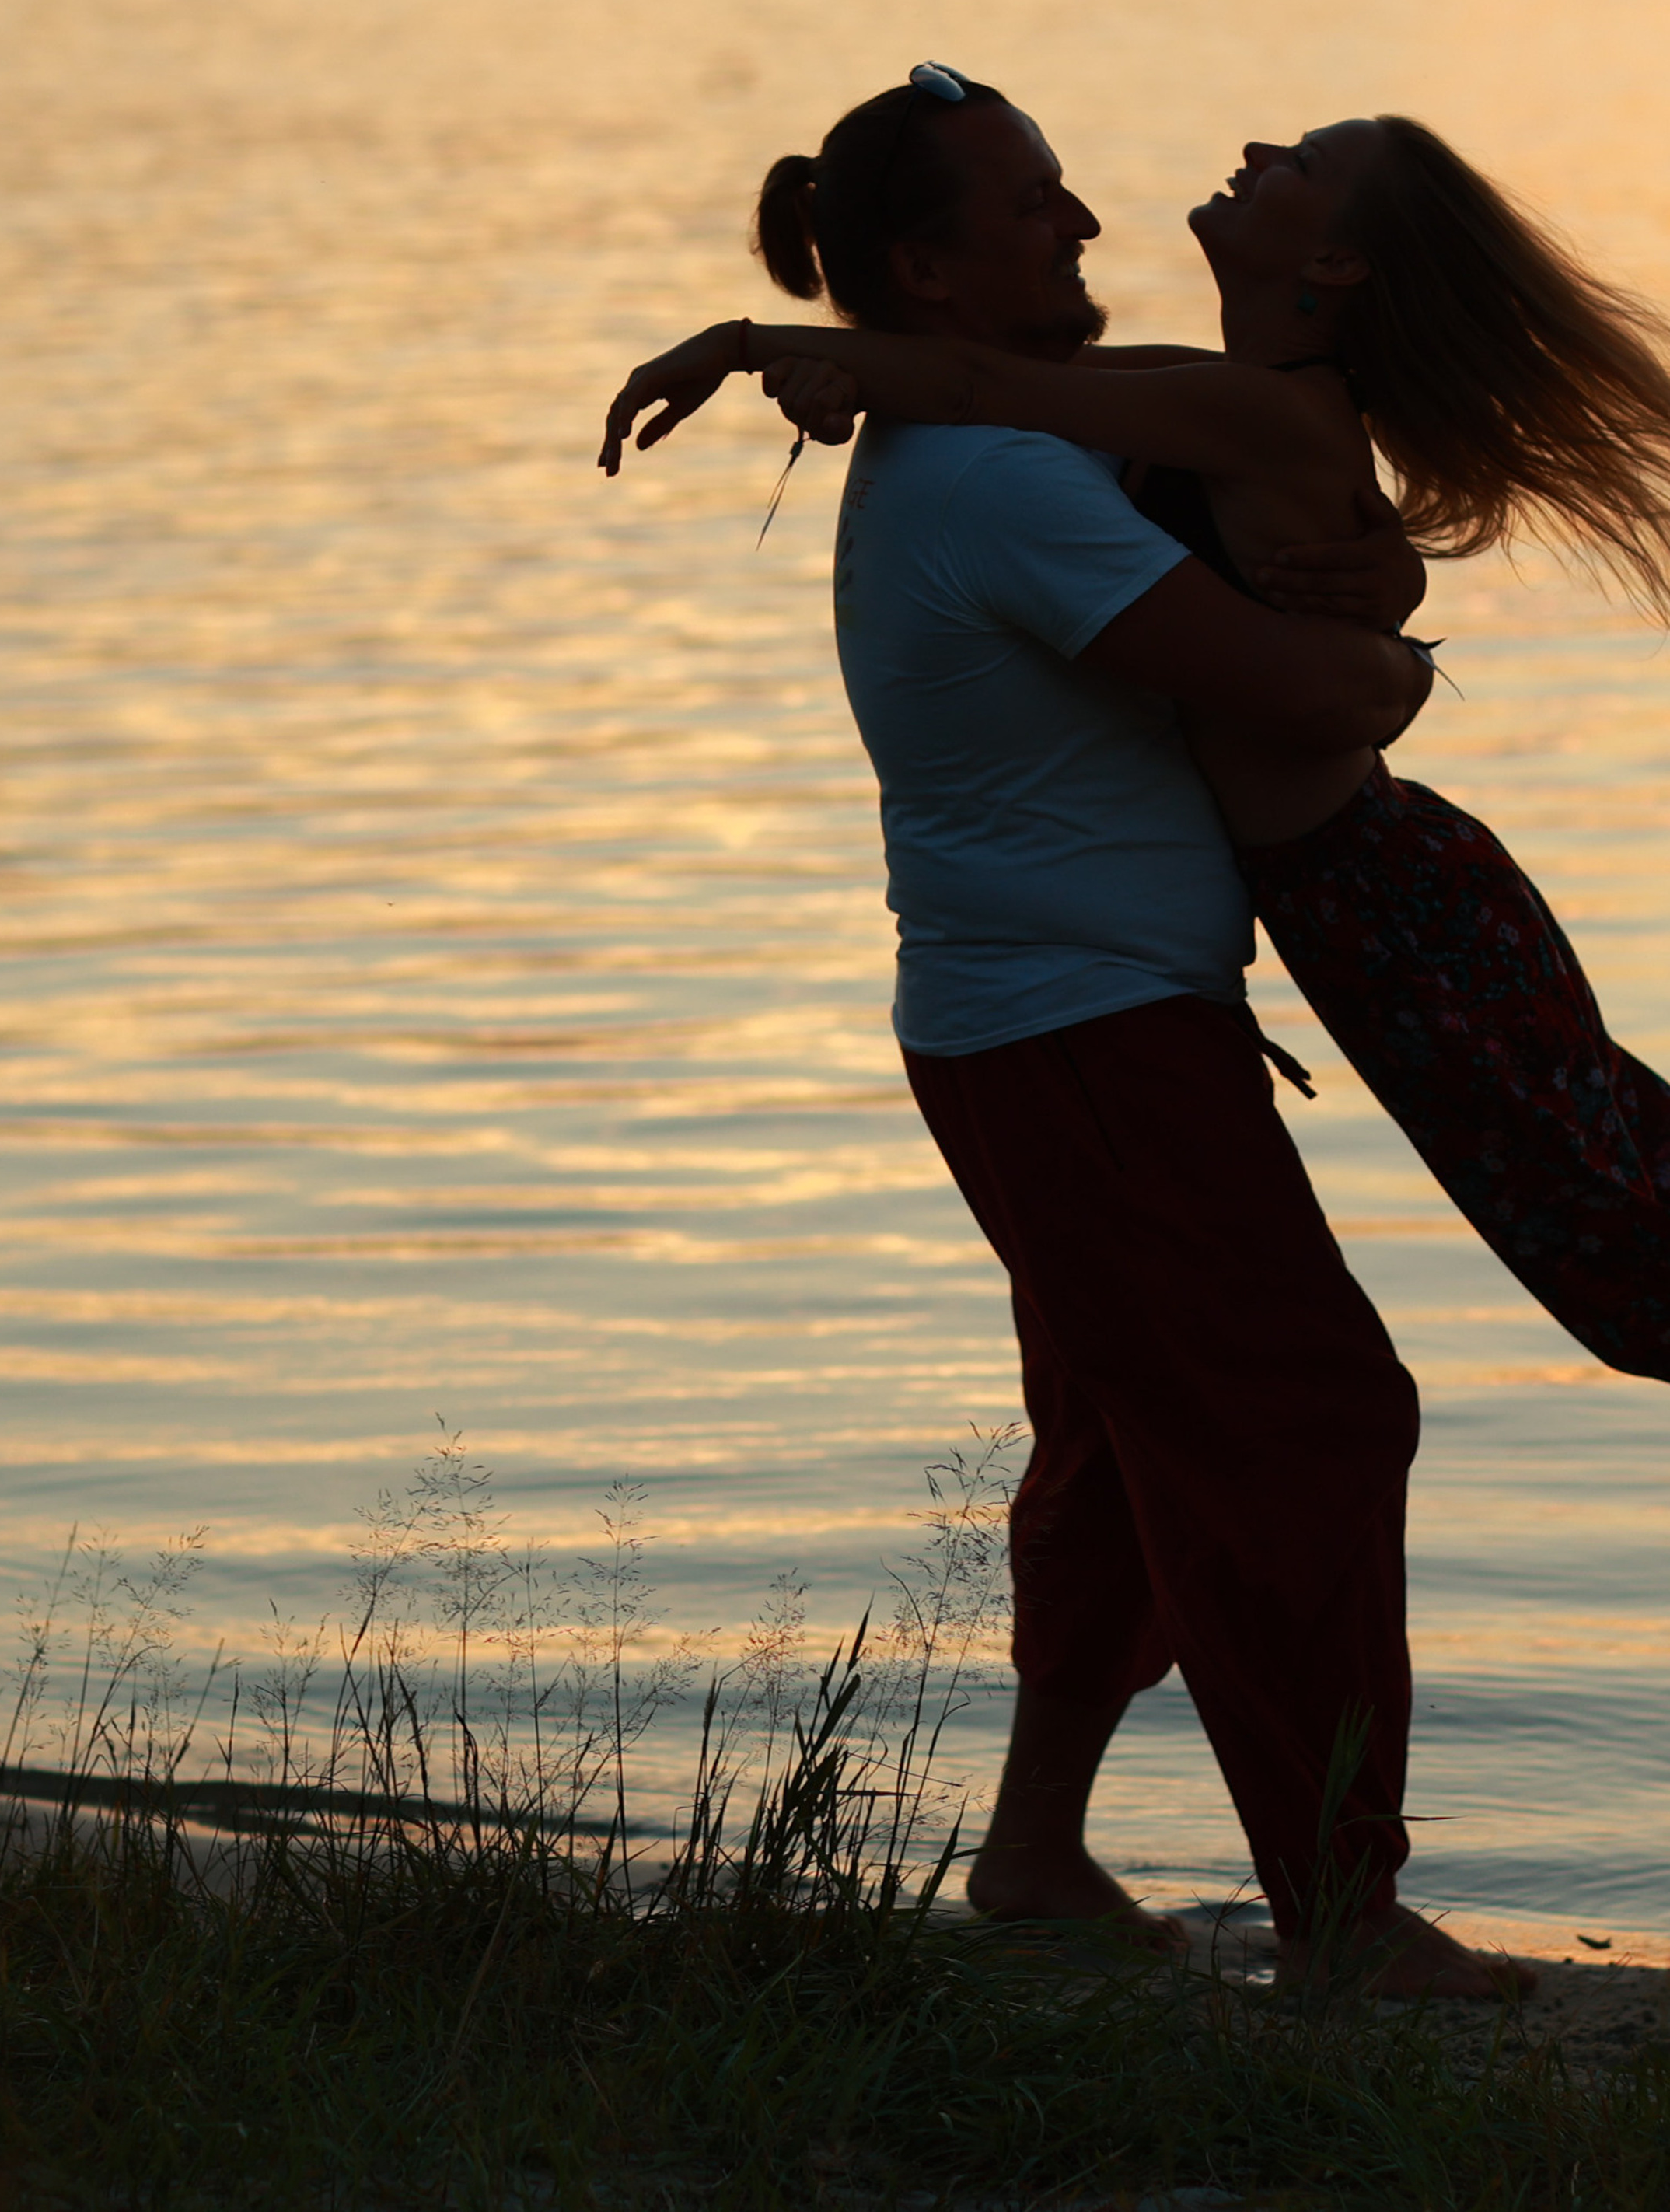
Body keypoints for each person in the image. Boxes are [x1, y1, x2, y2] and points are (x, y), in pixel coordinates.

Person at [599, 67, 1527, 1998]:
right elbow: (1293, 691)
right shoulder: (1002, 482)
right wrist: (1387, 650)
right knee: (1307, 1425)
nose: (1084, 224)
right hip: (1083, 1046)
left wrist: (1393, 575)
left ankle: (1031, 1859)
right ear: (931, 271)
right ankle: (1341, 1925)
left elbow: (1264, 495)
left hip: (1059, 1032)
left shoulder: (1026, 442)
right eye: (1032, 210)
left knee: (1123, 1443)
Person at [605, 91, 1670, 1390]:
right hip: (1352, 894)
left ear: (1334, 263)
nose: (1266, 149)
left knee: (1620, 1243)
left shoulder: (1255, 413)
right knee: (1610, 1194)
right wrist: (832, 363)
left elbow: (988, 380)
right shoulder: (1203, 399)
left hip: (1390, 897)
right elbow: (991, 385)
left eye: (1308, 164)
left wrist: (740, 340)